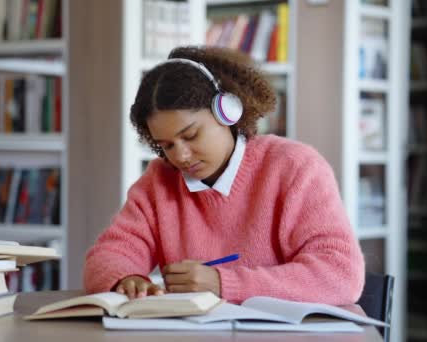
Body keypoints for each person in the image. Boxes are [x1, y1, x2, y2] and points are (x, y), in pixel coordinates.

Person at [83, 46, 365, 305]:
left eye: (191, 135)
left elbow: (340, 274)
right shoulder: (160, 180)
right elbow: (110, 253)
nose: (180, 156)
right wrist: (126, 279)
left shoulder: (296, 167)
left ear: (228, 111)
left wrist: (224, 283)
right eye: (166, 145)